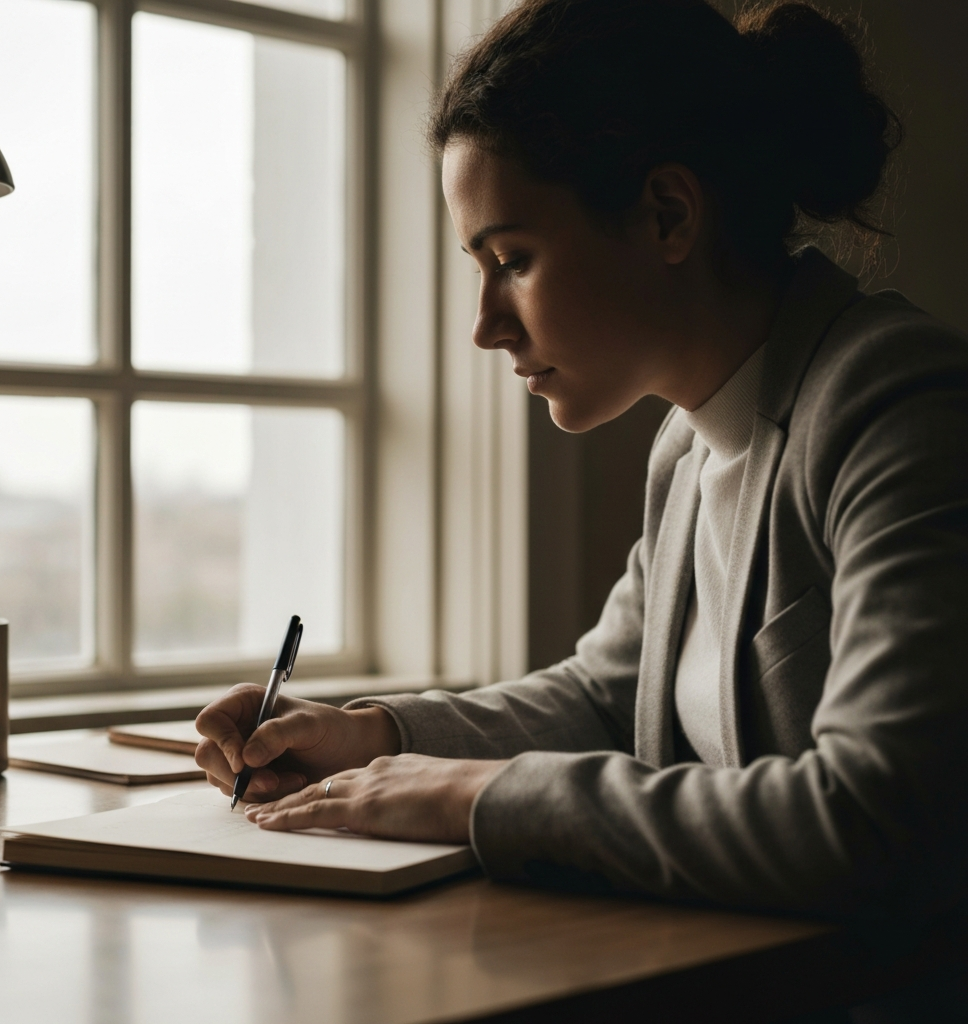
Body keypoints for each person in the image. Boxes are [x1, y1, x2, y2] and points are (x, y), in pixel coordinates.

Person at [197, 0, 968, 943]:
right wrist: (373, 736)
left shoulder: (900, 404)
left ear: (668, 214)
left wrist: (473, 797)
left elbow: (877, 820)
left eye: (511, 260)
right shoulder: (689, 448)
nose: (485, 325)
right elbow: (607, 696)